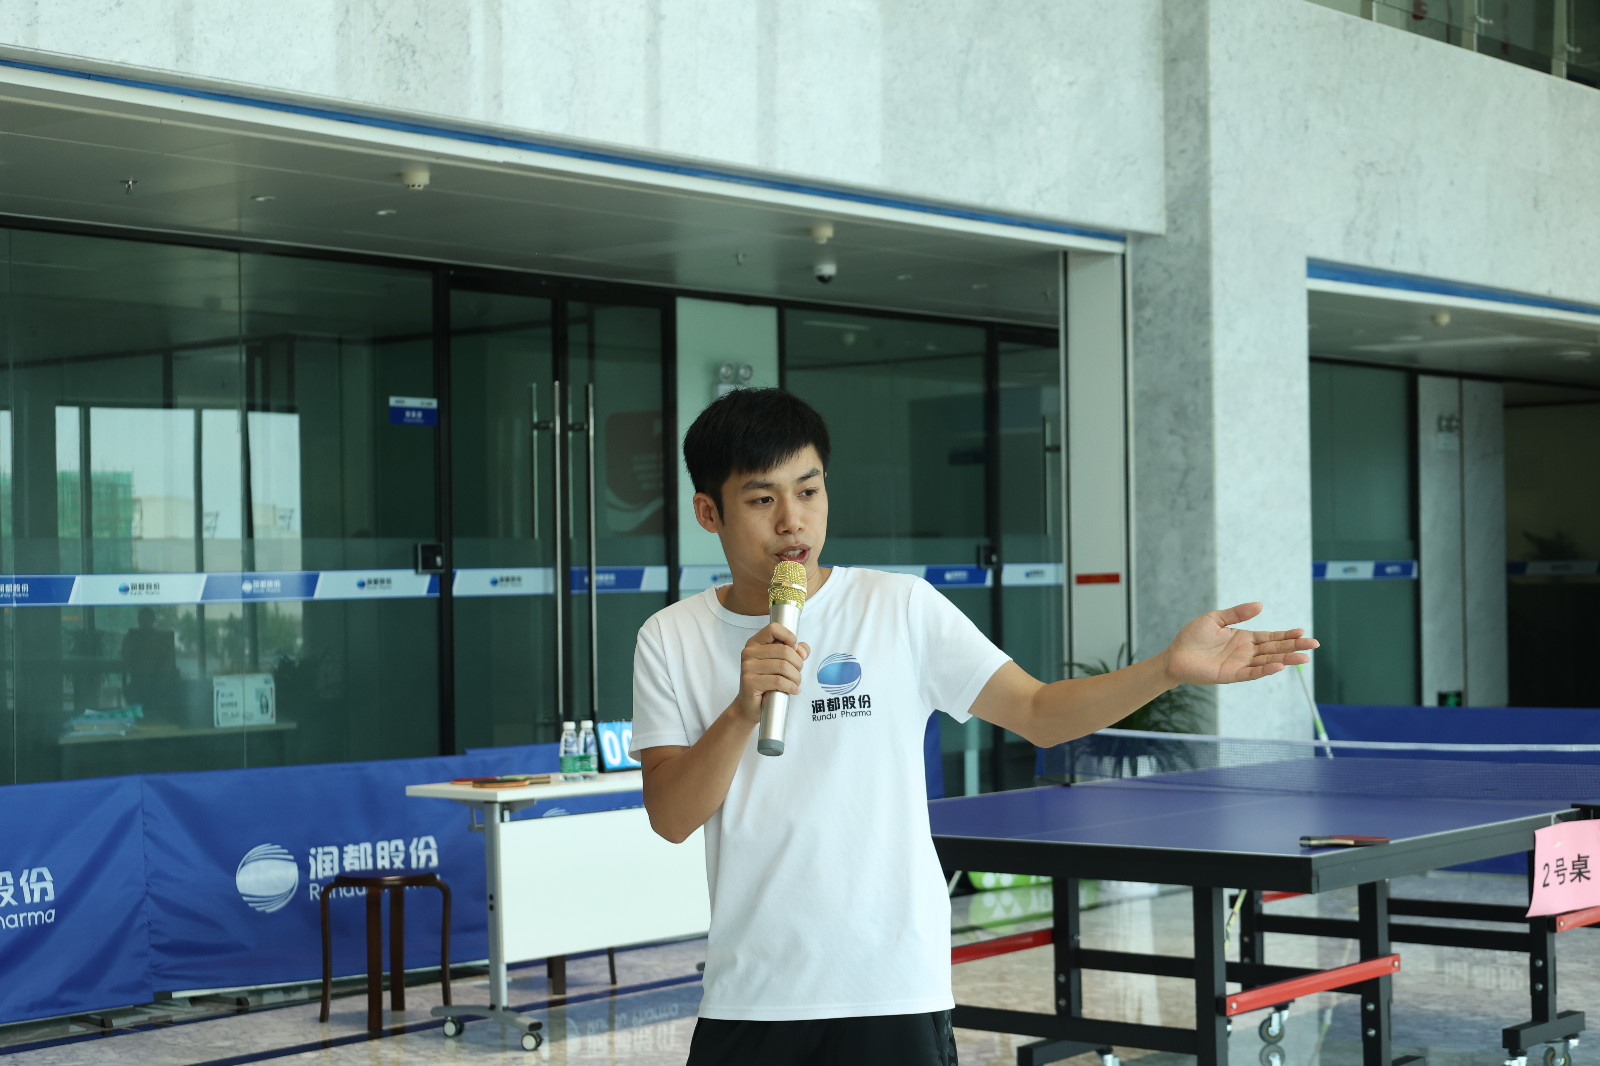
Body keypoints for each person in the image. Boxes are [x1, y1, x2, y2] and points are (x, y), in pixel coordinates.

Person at [630, 388, 1317, 1066]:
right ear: (709, 512)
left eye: (809, 491)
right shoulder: (670, 637)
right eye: (762, 500)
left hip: (892, 989)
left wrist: (1166, 669)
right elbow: (671, 816)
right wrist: (741, 711)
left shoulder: (899, 607)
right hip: (750, 998)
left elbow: (1040, 713)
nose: (793, 521)